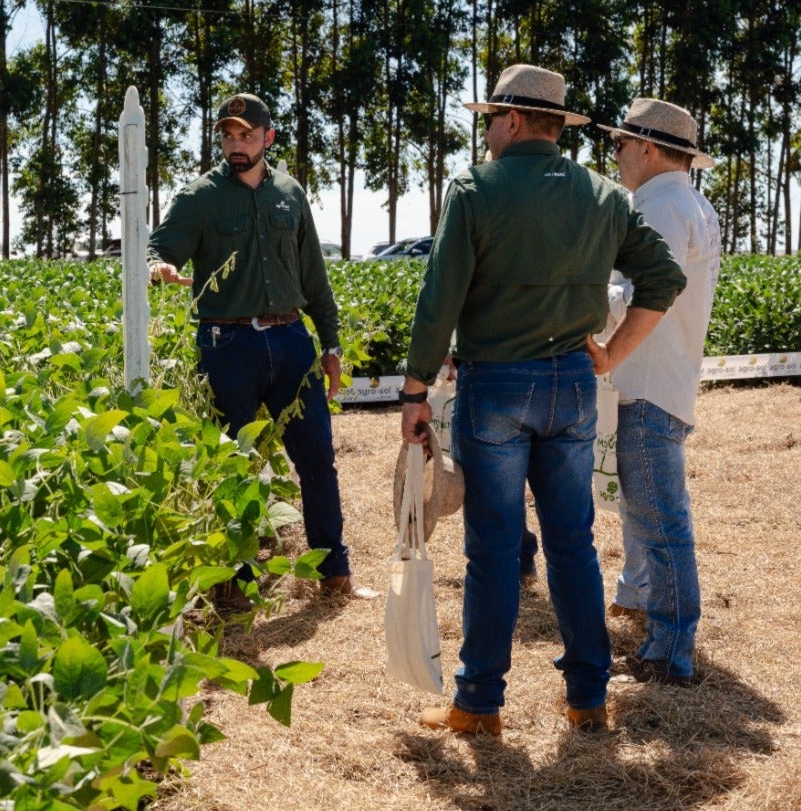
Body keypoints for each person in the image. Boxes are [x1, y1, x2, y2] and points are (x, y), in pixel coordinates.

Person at [399, 64, 687, 735]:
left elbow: (440, 296)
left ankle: (479, 703)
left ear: (514, 119)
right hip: (574, 386)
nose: (487, 132)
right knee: (573, 544)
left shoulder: (475, 187)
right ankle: (588, 697)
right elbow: (664, 278)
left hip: (496, 385)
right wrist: (611, 353)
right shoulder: (602, 195)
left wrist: (415, 389)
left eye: (491, 120)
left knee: (495, 550)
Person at [147, 92, 376, 601]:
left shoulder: (290, 194)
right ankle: (238, 586)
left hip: (292, 340)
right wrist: (157, 266)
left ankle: (334, 574)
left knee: (317, 458)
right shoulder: (200, 197)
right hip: (226, 346)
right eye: (228, 136)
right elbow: (157, 247)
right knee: (232, 464)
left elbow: (314, 277)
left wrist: (331, 344)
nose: (237, 145)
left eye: (247, 135)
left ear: (268, 138)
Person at [594, 98, 721, 686]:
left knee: (661, 522)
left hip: (645, 383)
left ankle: (670, 650)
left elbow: (642, 295)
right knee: (656, 516)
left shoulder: (661, 207)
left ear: (646, 147)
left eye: (619, 143)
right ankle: (661, 630)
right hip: (666, 380)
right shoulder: (692, 203)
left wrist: (585, 301)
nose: (615, 154)